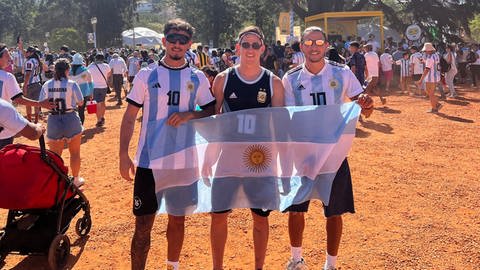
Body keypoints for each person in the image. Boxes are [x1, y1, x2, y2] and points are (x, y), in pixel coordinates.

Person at [119, 19, 215, 270]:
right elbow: (129, 117)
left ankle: (173, 266)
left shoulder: (198, 77)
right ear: (164, 41)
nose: (177, 44)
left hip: (184, 161)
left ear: (189, 45)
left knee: (178, 220)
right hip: (149, 162)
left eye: (183, 40)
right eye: (172, 38)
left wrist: (189, 115)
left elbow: (210, 109)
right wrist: (123, 154)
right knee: (142, 226)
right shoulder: (146, 75)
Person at [282, 26, 373, 270]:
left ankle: (330, 264)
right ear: (301, 46)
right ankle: (296, 259)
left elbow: (363, 106)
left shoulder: (342, 73)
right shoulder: (290, 78)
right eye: (308, 42)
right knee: (296, 210)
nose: (314, 46)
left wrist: (366, 103)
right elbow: (289, 116)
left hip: (334, 154)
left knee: (334, 212)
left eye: (319, 41)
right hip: (302, 155)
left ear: (326, 46)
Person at [210, 25, 284, 270]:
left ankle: (259, 267)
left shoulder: (274, 82)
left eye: (255, 45)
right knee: (218, 216)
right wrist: (207, 158)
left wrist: (282, 164)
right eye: (246, 45)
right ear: (237, 48)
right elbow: (212, 117)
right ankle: (217, 267)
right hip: (228, 158)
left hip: (259, 161)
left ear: (262, 49)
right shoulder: (223, 79)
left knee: (260, 219)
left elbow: (280, 126)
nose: (250, 49)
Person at [39, 58, 85, 187]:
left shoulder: (47, 84)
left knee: (55, 156)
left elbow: (42, 103)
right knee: (75, 153)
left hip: (53, 119)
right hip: (70, 117)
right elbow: (81, 102)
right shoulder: (72, 84)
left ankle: (57, 181)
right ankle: (76, 180)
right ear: (67, 70)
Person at [415, 43, 443, 113]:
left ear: (428, 50)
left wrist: (420, 80)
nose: (425, 52)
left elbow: (427, 69)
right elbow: (431, 63)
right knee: (430, 92)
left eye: (425, 51)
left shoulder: (430, 58)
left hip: (431, 77)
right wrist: (424, 61)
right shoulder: (436, 55)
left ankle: (434, 108)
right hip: (436, 76)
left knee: (430, 93)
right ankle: (437, 104)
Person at [87, 53, 111, 127]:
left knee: (97, 103)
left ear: (95, 59)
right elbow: (109, 74)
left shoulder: (90, 66)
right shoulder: (106, 66)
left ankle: (99, 120)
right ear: (103, 59)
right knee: (102, 102)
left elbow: (87, 75)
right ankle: (102, 116)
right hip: (104, 86)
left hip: (94, 87)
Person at [70, 53, 94, 125]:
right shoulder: (86, 71)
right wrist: (91, 93)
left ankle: (73, 126)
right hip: (83, 93)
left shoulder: (69, 72)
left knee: (71, 111)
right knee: (81, 111)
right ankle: (80, 126)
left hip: (71, 94)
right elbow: (90, 83)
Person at [23, 46, 43, 123]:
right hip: (37, 84)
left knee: (28, 104)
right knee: (36, 103)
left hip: (30, 85)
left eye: (27, 52)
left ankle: (29, 121)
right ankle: (36, 121)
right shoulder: (37, 61)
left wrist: (24, 85)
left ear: (31, 53)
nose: (26, 53)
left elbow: (28, 74)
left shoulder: (29, 61)